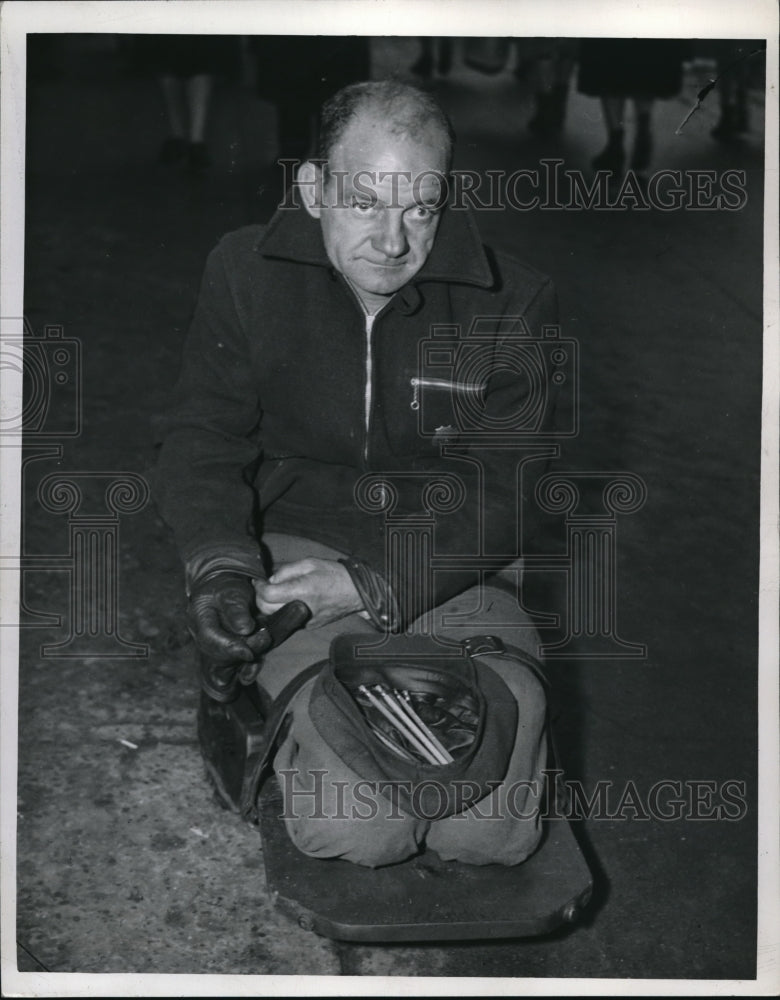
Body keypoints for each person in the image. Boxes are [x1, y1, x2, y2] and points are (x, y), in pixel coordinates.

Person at [152, 80, 560, 867]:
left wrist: (373, 584)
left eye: (421, 207)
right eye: (365, 201)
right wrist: (221, 568)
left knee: (487, 837)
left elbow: (513, 486)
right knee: (360, 832)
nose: (394, 240)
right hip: (301, 559)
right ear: (314, 189)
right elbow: (201, 438)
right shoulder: (246, 272)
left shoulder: (513, 302)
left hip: (455, 564)